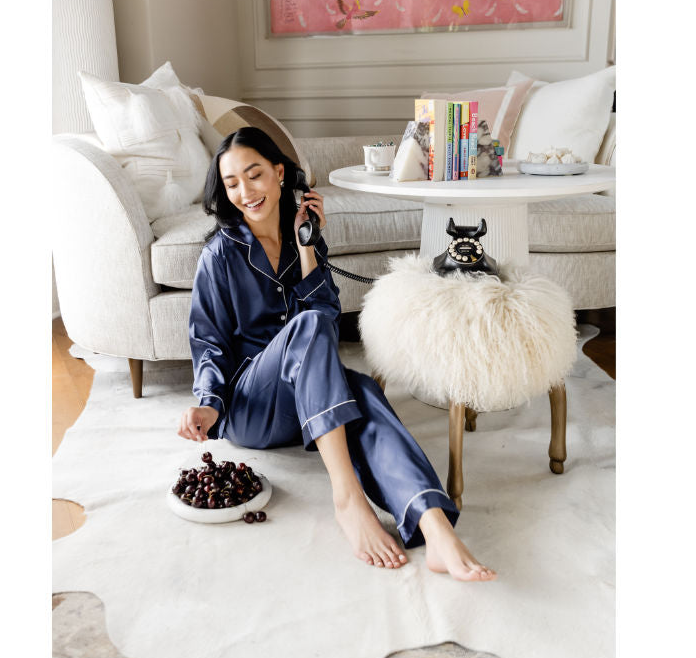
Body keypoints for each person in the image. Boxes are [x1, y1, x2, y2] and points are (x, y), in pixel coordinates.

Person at [176, 126, 495, 582]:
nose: (246, 192)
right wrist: (208, 404)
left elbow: (324, 320)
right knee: (310, 335)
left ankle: (434, 524)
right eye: (232, 184)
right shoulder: (219, 256)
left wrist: (308, 248)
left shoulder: (303, 235)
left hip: (306, 406)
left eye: (255, 175)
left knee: (361, 388)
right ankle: (348, 498)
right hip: (251, 409)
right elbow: (208, 343)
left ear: (280, 173)